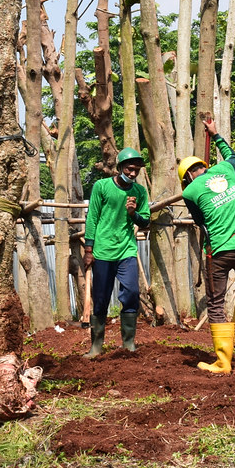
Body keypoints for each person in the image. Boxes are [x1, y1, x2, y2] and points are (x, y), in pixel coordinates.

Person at [178, 118, 235, 374]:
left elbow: (200, 221)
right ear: (203, 166)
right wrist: (216, 134)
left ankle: (223, 362)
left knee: (215, 302)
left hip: (219, 252)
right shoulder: (226, 169)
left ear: (188, 176)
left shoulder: (189, 193)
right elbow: (232, 156)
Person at [82, 147, 151, 357]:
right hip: (103, 251)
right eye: (129, 169)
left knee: (131, 293)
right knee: (101, 298)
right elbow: (92, 218)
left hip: (126, 249)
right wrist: (88, 249)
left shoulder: (139, 192)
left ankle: (128, 343)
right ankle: (96, 346)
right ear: (120, 167)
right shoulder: (101, 187)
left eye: (136, 171)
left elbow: (146, 221)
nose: (132, 174)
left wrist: (133, 214)